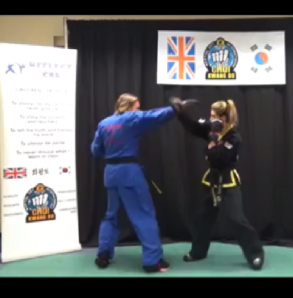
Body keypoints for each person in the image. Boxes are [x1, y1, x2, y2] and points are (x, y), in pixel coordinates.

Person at [171, 98, 264, 270]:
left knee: (236, 219)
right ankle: (198, 251)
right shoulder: (212, 128)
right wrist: (182, 114)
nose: (211, 118)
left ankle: (255, 254)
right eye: (211, 115)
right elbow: (194, 128)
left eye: (214, 116)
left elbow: (219, 158)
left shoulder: (234, 138)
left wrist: (212, 142)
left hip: (227, 180)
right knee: (203, 218)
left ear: (224, 118)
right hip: (211, 179)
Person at [91, 94, 178, 273]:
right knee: (143, 215)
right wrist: (176, 109)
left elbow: (95, 150)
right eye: (137, 107)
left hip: (111, 174)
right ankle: (152, 261)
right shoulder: (130, 118)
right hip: (129, 173)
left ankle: (103, 254)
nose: (139, 110)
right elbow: (154, 116)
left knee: (111, 215)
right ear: (129, 107)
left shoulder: (103, 123)